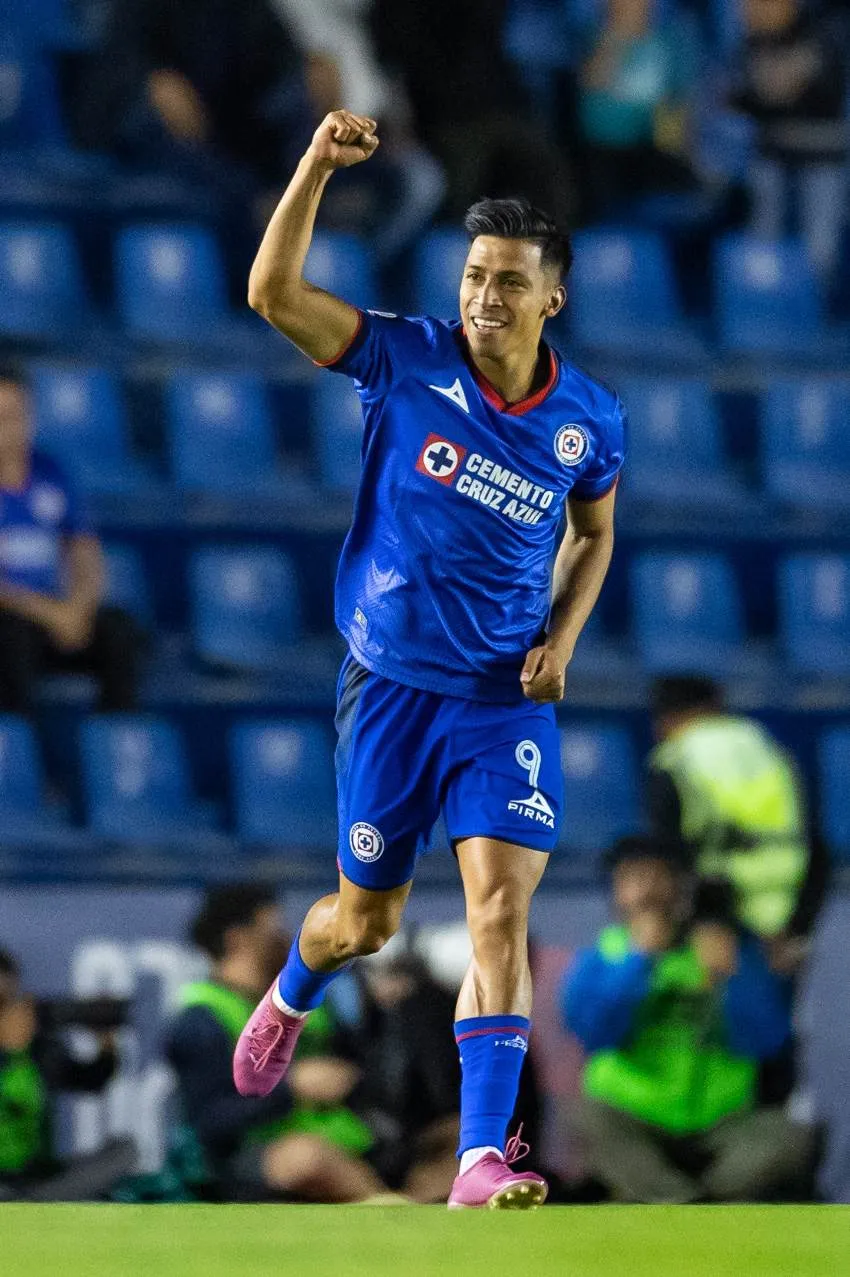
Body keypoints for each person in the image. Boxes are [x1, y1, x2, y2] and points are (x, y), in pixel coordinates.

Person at [233, 109, 625, 1211]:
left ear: (552, 298)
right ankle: (296, 983)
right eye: (473, 274)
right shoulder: (404, 358)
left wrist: (563, 634)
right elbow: (271, 295)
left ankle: (477, 1157)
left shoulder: (588, 418)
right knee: (368, 921)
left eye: (508, 281)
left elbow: (594, 532)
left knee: (498, 908)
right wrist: (311, 161)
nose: (482, 297)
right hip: (390, 687)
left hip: (501, 700)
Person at [562, 836, 818, 1203]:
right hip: (634, 1117)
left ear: (683, 886)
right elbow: (595, 1034)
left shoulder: (730, 950)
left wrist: (732, 978)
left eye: (659, 877)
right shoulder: (605, 955)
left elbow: (765, 1039)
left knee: (790, 1138)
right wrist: (640, 960)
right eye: (635, 879)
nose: (649, 892)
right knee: (589, 1118)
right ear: (617, 892)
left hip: (722, 1125)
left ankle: (677, 1200)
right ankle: (687, 1204)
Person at [166, 885, 393, 1203]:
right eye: (272, 928)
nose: (287, 938)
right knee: (307, 1159)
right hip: (250, 1156)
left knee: (454, 1138)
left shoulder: (308, 1002)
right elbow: (210, 1120)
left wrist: (384, 1009)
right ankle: (394, 1214)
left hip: (353, 1140)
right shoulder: (205, 1016)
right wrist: (291, 1088)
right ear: (237, 939)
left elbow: (362, 1067)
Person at [646, 675, 827, 972]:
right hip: (786, 912)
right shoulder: (769, 748)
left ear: (666, 718)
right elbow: (813, 839)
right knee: (773, 1016)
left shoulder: (675, 757)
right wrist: (799, 929)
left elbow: (668, 851)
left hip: (717, 915)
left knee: (713, 1014)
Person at [0, 368, 140, 715]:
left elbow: (85, 553)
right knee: (10, 639)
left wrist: (79, 608)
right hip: (15, 618)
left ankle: (116, 743)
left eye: (15, 415)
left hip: (57, 617)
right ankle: (19, 751)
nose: (9, 429)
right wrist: (49, 613)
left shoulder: (52, 472)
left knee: (117, 631)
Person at [0, 948, 135, 1201]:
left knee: (123, 1151)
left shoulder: (37, 1048)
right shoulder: (18, 1050)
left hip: (35, 1176)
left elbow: (89, 1080)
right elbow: (15, 1101)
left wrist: (105, 1042)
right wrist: (12, 1056)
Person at [729, 0, 848, 283]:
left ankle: (815, 305)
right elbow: (746, 95)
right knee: (763, 239)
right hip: (771, 155)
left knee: (819, 251)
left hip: (824, 156)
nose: (752, 10)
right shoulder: (754, 41)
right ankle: (761, 299)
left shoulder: (828, 30)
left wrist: (779, 78)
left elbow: (782, 86)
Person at [577, 0, 702, 220]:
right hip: (600, 151)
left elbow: (679, 103)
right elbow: (590, 85)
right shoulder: (593, 37)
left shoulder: (668, 42)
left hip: (651, 149)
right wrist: (616, 38)